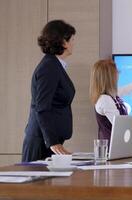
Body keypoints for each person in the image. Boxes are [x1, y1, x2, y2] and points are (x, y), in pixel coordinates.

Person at [22, 20, 76, 162]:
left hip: (48, 142)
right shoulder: (49, 67)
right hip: (42, 143)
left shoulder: (55, 65)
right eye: (71, 39)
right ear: (63, 42)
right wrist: (52, 141)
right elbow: (42, 107)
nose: (73, 44)